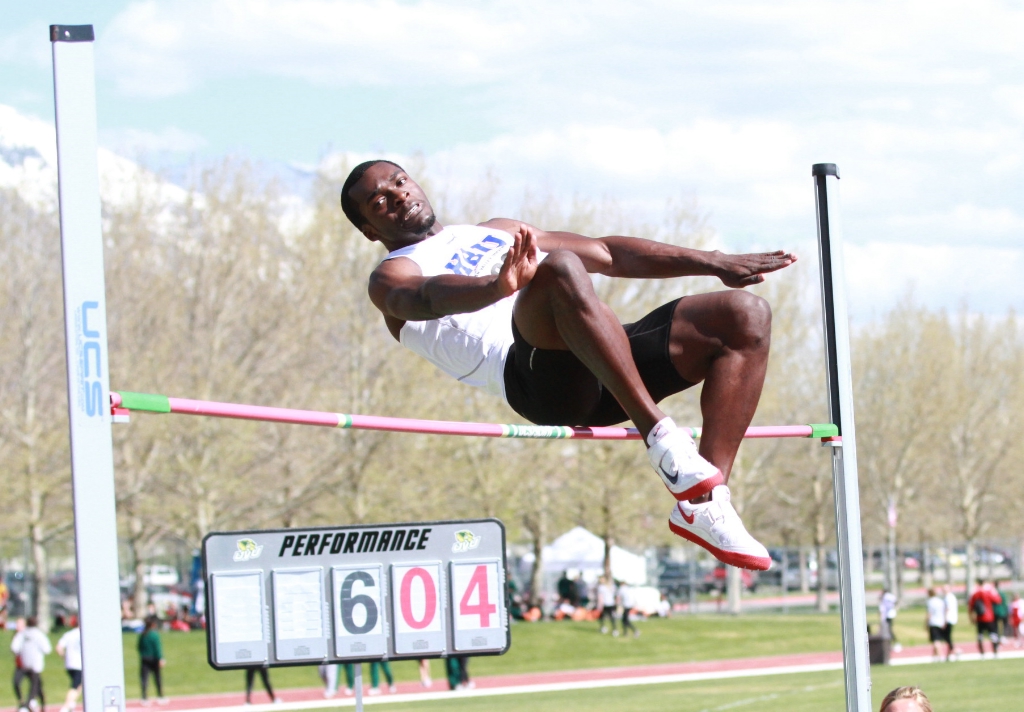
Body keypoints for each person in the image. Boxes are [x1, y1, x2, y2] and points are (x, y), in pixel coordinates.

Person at [342, 161, 797, 571]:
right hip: (539, 383)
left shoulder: (497, 230)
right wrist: (496, 287)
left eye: (400, 182)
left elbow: (608, 254)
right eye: (379, 201)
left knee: (744, 314)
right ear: (368, 229)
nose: (398, 195)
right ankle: (663, 441)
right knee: (558, 267)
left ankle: (707, 505)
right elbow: (426, 297)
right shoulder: (390, 277)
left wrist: (712, 262)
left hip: (607, 364)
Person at [11, 616, 51, 712]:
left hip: (32, 665)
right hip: (26, 665)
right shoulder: (25, 634)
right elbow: (47, 649)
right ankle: (27, 704)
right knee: (33, 685)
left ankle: (29, 705)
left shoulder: (34, 634)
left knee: (35, 686)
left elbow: (46, 649)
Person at [137, 617, 168, 704]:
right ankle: (160, 696)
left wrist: (143, 654)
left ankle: (144, 697)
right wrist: (160, 658)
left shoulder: (143, 634)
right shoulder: (154, 635)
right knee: (157, 678)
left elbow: (139, 647)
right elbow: (157, 648)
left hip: (145, 658)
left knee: (144, 678)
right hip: (154, 659)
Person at [968, 578, 1000, 658]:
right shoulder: (988, 592)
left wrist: (971, 618)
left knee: (980, 636)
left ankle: (982, 653)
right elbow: (998, 600)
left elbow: (971, 606)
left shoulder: (975, 593)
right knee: (993, 635)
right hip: (989, 617)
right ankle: (995, 651)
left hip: (980, 618)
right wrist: (994, 591)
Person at [56, 623, 83, 712]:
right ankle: (66, 706)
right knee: (75, 685)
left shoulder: (69, 634)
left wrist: (64, 657)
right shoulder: (84, 633)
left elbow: (59, 647)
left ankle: (71, 703)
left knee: (80, 684)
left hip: (69, 663)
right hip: (79, 664)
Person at [924, 588, 947, 662]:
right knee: (937, 639)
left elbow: (929, 614)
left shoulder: (930, 602)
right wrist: (944, 621)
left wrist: (926, 623)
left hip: (933, 622)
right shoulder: (940, 601)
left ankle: (940, 656)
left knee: (936, 641)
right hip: (940, 622)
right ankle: (934, 657)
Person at [942, 584, 960, 660]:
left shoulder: (948, 597)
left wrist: (944, 620)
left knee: (947, 637)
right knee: (947, 637)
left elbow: (947, 609)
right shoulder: (950, 597)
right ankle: (949, 653)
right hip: (951, 618)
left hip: (949, 619)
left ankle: (955, 651)